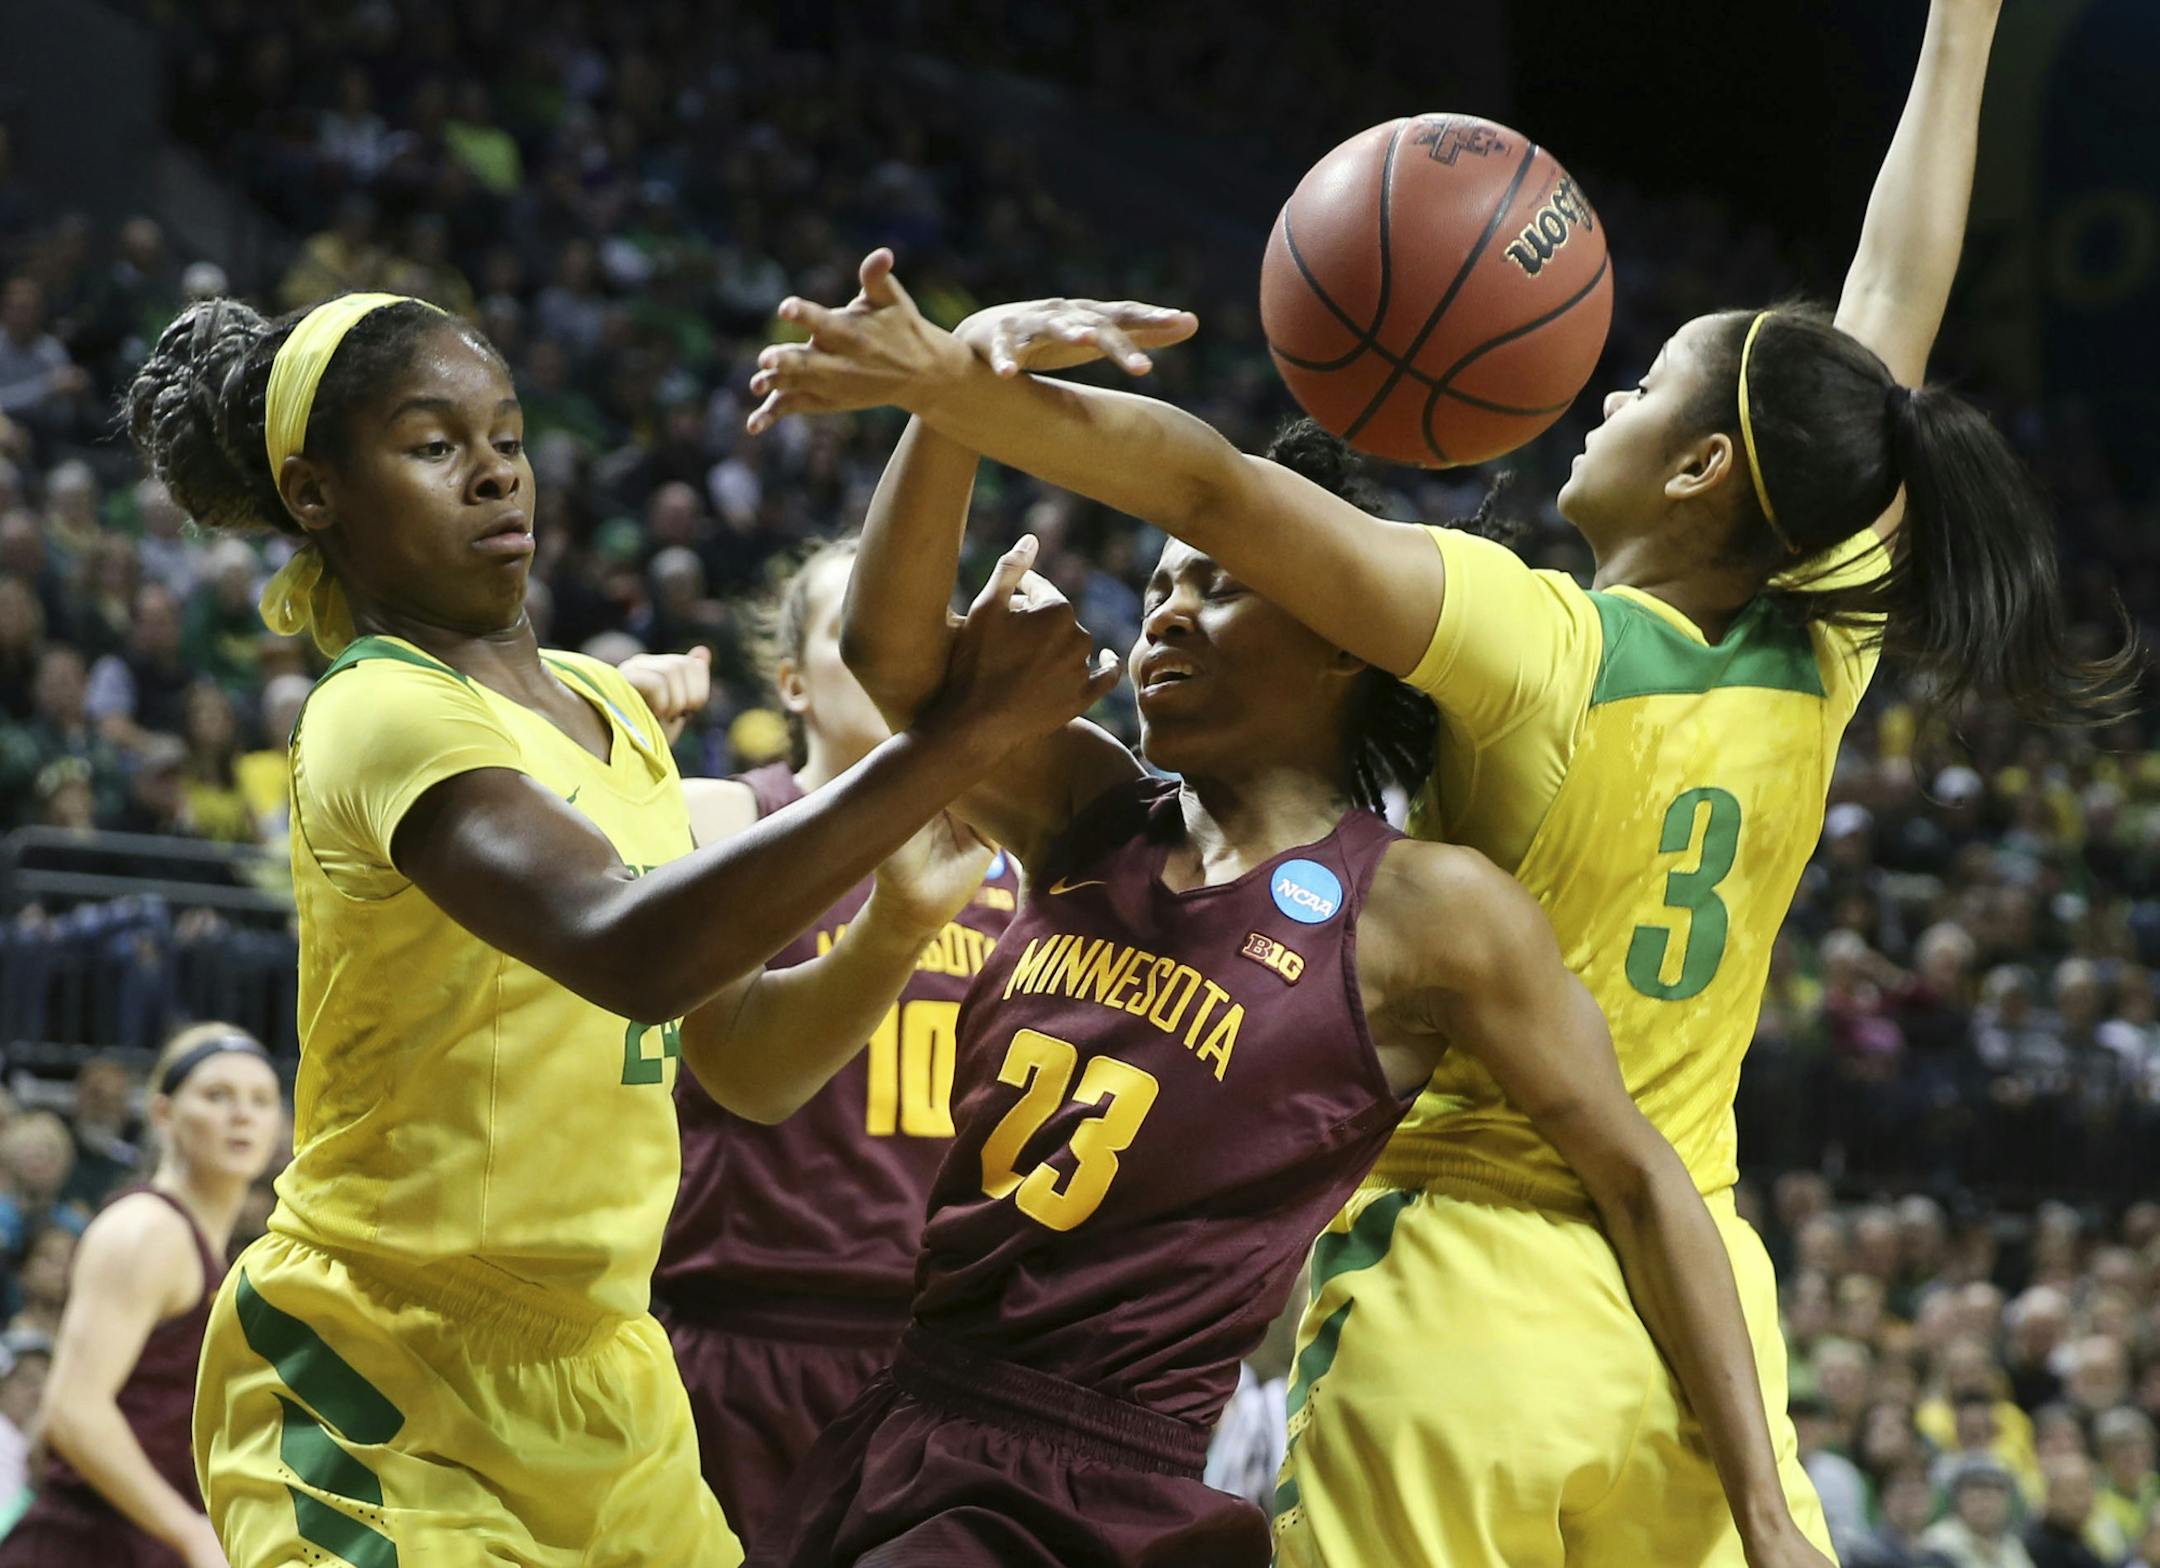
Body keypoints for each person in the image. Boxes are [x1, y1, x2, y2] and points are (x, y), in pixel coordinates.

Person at [743, 2, 2137, 1561]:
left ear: (1702, 472)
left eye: (1647, 388)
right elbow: (1884, 322)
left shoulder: (1545, 645)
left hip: (1462, 1276)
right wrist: (1964, 30)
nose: (1602, 397)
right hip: (1692, 1279)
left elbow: (1212, 482)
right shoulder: (1824, 648)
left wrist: (966, 386)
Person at [122, 290, 1114, 1567]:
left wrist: (890, 931)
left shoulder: (613, 710)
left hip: (608, 1373)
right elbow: (630, 947)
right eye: (434, 446)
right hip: (380, 1369)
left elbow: (745, 1062)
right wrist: (954, 739)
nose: (491, 475)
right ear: (316, 495)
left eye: (509, 438)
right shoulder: (377, 710)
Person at [752, 405, 1833, 1566]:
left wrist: (1766, 1512)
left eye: (1215, 585)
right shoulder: (1090, 807)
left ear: (1338, 639)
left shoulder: (1426, 911)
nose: (1165, 608)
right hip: (914, 1404)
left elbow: (1639, 1176)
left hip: (1112, 1466)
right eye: (1157, 584)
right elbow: (893, 657)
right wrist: (953, 396)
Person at [651, 536, 1021, 1544]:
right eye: (857, 631)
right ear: (792, 682)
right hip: (746, 1332)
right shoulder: (725, 813)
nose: (896, 655)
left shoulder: (1017, 867)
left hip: (943, 1349)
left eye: (919, 633)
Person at [0, 1025, 281, 1568]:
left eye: (261, 1100)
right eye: (217, 1095)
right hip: (84, 1546)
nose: (242, 1114)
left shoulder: (203, 1247)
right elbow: (73, 1411)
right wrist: (192, 1533)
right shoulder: (149, 1230)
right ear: (163, 1114)